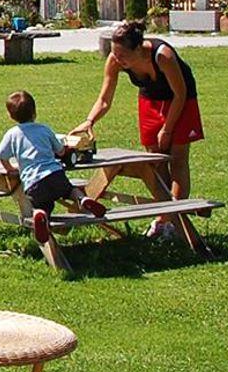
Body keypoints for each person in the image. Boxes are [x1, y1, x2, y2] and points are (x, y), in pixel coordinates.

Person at [66, 18, 203, 236]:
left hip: (180, 101)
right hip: (150, 102)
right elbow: (105, 99)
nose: (117, 59)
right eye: (115, 53)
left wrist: (167, 129)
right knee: (155, 162)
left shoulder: (163, 56)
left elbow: (180, 93)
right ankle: (164, 219)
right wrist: (89, 120)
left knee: (177, 159)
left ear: (139, 48)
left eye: (123, 55)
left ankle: (173, 222)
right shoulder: (115, 60)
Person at [0, 89, 107, 246]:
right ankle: (83, 200)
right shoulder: (44, 129)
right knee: (70, 190)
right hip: (55, 175)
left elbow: (2, 155)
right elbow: (60, 151)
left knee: (41, 205)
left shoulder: (12, 134)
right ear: (34, 112)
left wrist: (10, 168)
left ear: (10, 116)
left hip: (34, 182)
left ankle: (40, 215)